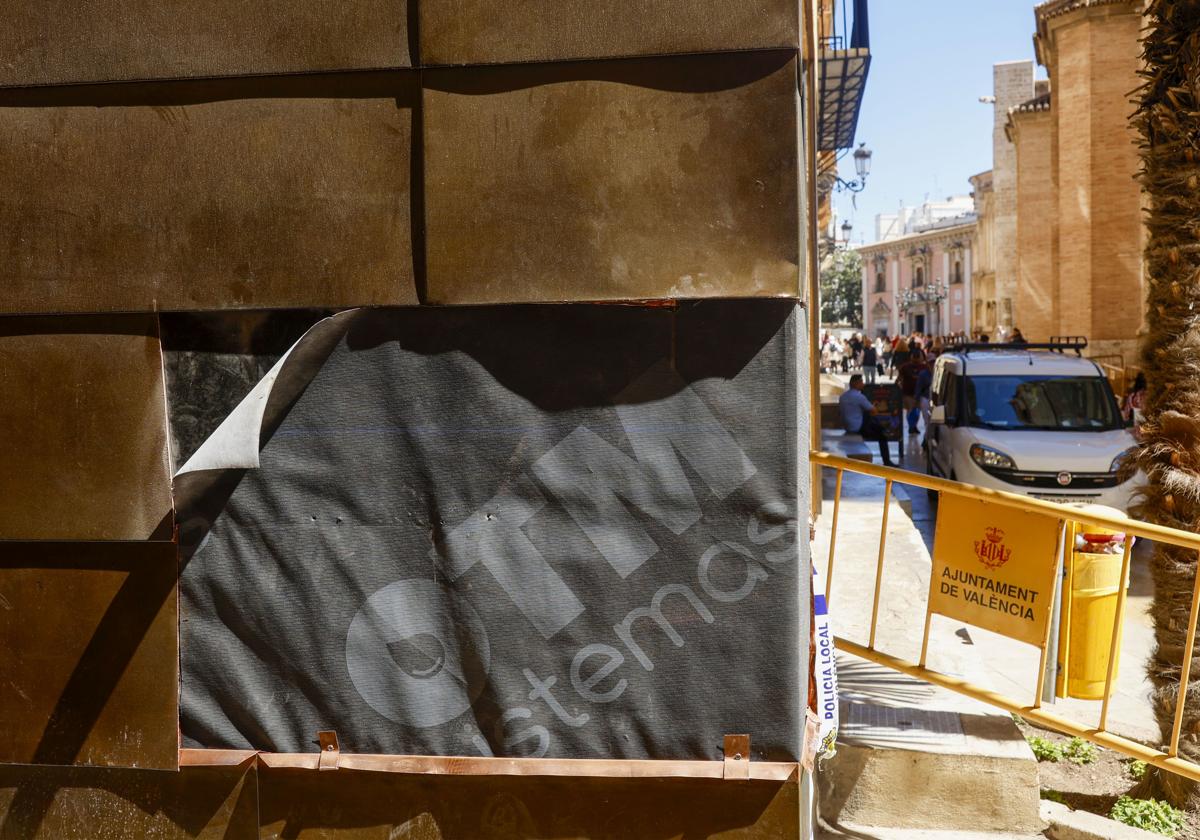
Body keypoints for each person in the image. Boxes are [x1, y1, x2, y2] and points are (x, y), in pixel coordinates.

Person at [838, 374, 894, 466]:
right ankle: (887, 461)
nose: (863, 384)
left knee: (869, 417)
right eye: (861, 382)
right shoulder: (859, 397)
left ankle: (883, 429)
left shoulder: (843, 396)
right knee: (882, 436)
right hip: (858, 428)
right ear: (857, 384)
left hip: (847, 427)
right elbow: (874, 411)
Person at [897, 349, 928, 436]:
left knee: (916, 411)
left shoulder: (924, 367)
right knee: (910, 411)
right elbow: (899, 378)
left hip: (920, 393)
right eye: (915, 357)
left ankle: (913, 426)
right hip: (908, 393)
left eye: (917, 357)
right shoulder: (905, 367)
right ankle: (911, 427)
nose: (916, 359)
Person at [1122, 372, 1147, 439]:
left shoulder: (1133, 395)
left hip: (1136, 428)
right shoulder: (1146, 395)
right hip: (1142, 419)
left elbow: (1126, 412)